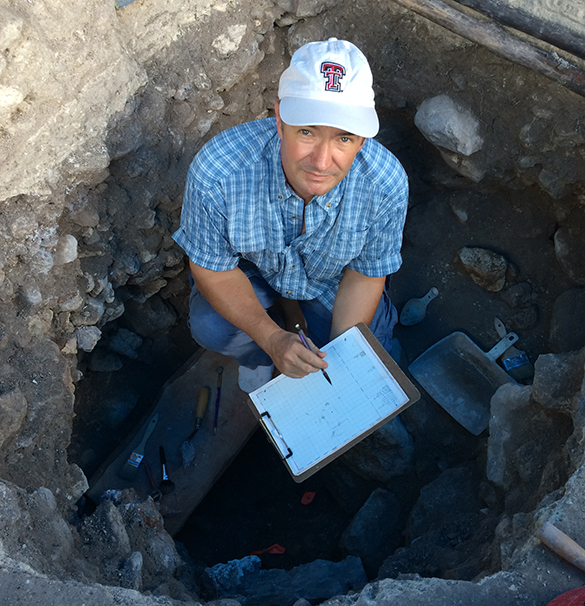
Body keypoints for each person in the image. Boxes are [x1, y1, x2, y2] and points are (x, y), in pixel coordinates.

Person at [173, 37, 409, 392]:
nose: (321, 161)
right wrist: (272, 340)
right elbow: (214, 270)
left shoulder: (385, 183)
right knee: (213, 327)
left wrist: (339, 361)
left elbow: (363, 275)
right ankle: (258, 360)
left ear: (362, 140)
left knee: (370, 345)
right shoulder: (218, 173)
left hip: (332, 280)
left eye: (344, 138)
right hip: (253, 270)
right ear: (280, 119)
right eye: (307, 132)